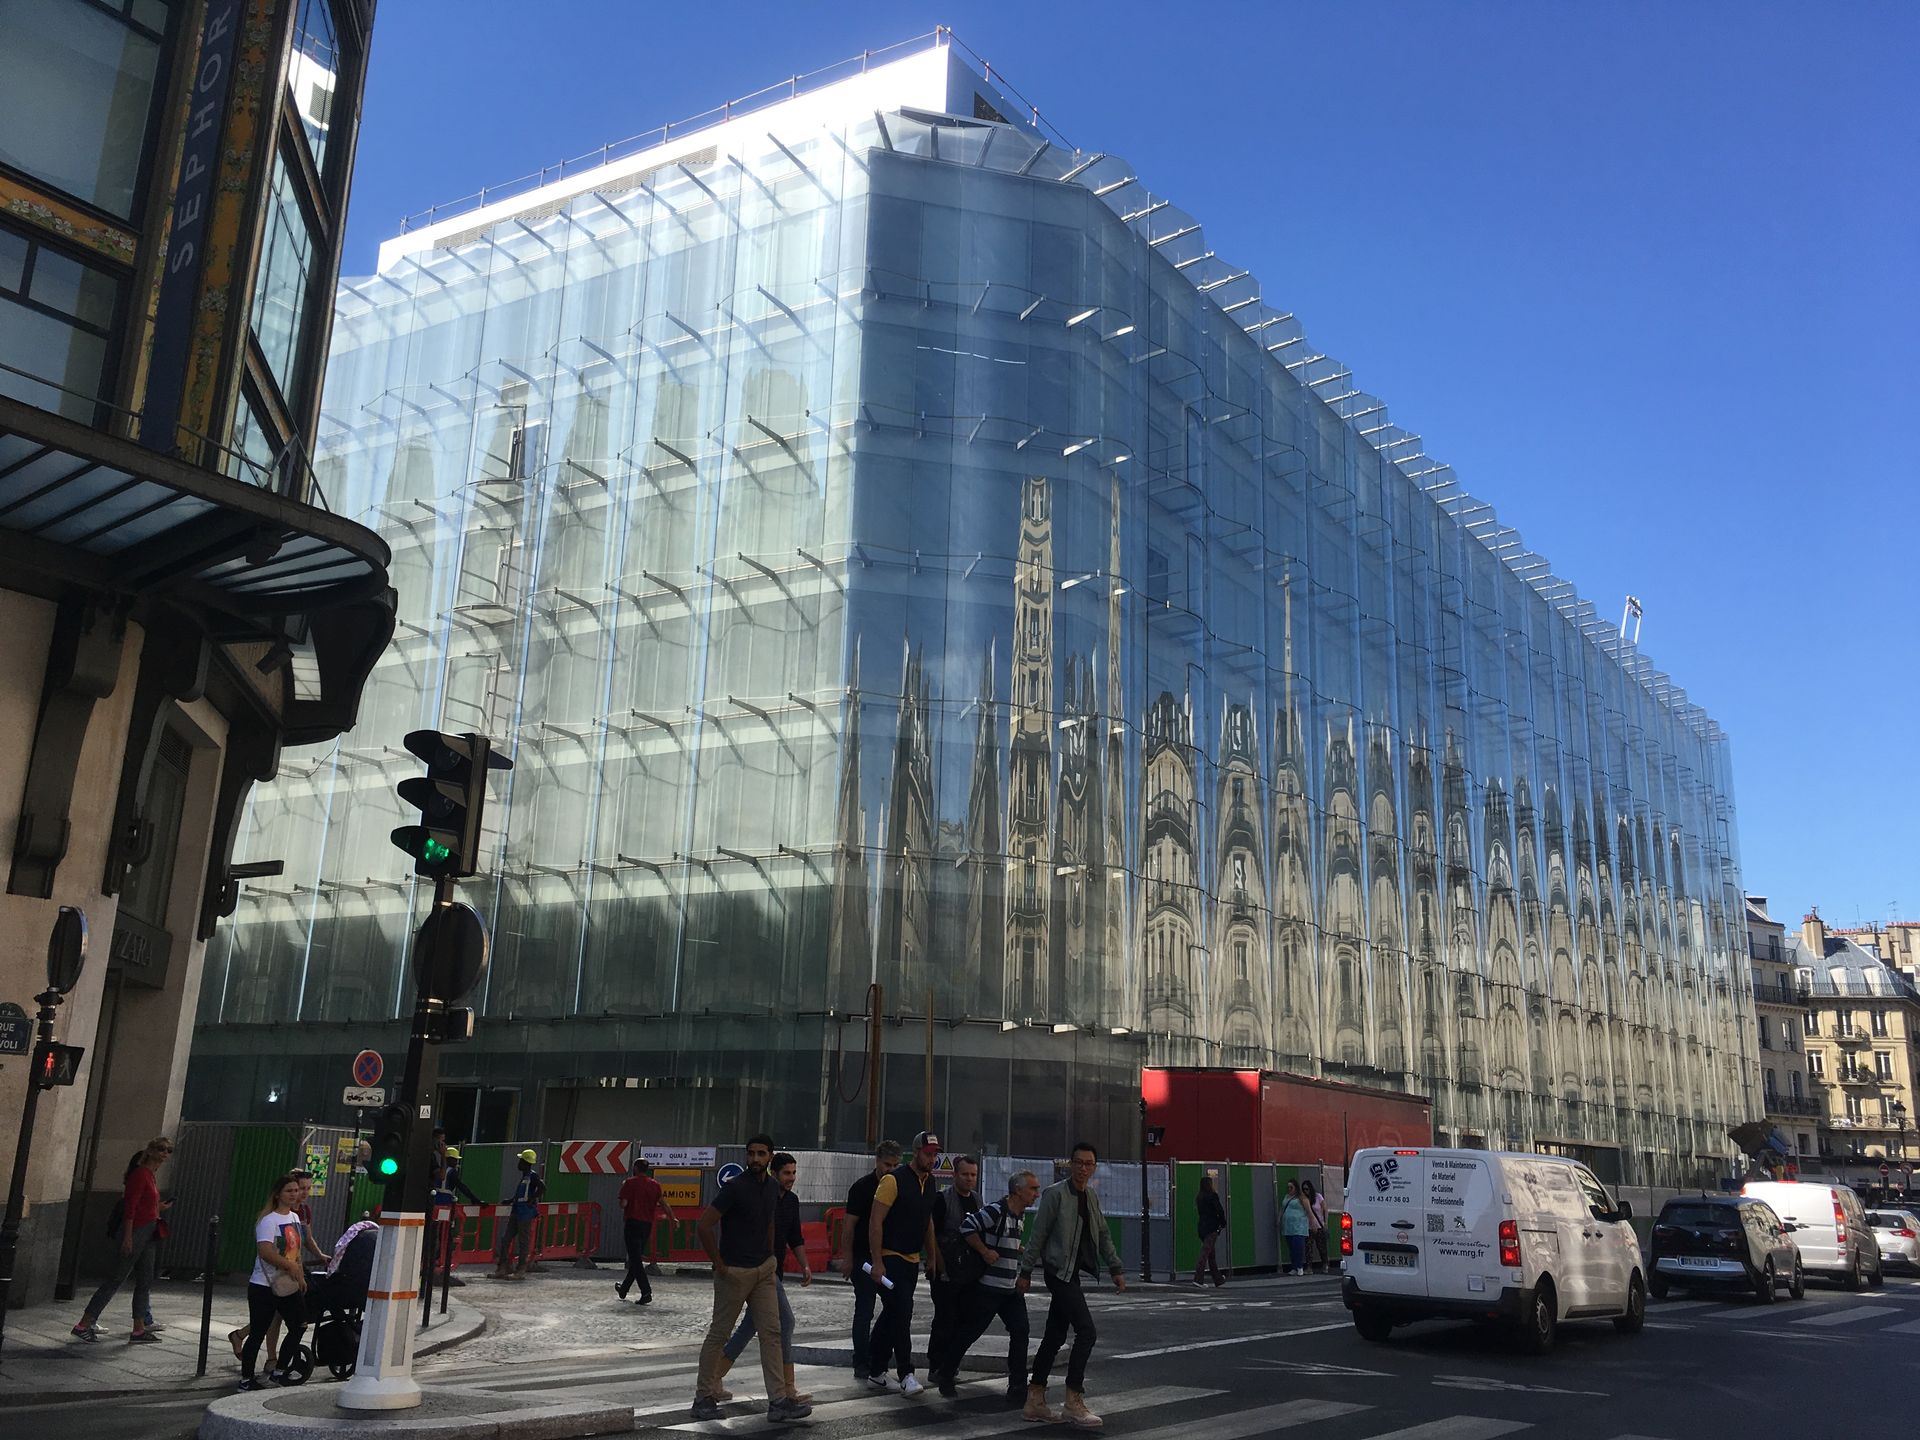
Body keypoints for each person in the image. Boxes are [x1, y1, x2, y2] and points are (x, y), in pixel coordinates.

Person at [690, 1134, 810, 1424]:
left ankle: (779, 1400)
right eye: (751, 1153)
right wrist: (719, 1264)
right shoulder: (734, 1188)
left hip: (763, 1271)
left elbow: (770, 1221)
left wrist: (769, 1256)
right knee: (720, 1333)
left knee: (773, 1333)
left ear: (770, 1156)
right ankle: (703, 1397)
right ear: (747, 1156)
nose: (755, 1159)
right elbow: (704, 1225)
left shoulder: (771, 1188)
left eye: (761, 1154)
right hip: (734, 1272)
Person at [1018, 1141, 1126, 1429]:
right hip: (1058, 1272)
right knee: (1086, 1331)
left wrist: (1115, 1267)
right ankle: (1073, 1400)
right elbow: (1037, 1235)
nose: (1083, 1168)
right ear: (1071, 1164)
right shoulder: (1055, 1195)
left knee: (1054, 1336)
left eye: (1088, 1164)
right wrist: (1025, 1270)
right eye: (1078, 1162)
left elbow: (1103, 1234)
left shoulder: (1090, 1197)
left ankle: (1035, 1400)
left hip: (1072, 1273)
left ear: (1094, 1168)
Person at [717, 1152, 814, 1407]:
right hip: (760, 1269)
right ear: (774, 1173)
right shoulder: (765, 1197)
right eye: (786, 1173)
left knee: (749, 1327)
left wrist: (805, 1265)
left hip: (773, 1272)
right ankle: (787, 1389)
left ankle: (714, 1378)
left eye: (793, 1173)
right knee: (786, 1322)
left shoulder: (792, 1201)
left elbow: (796, 1238)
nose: (791, 1178)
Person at [949, 1169, 1039, 1404]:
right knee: (970, 1331)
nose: (1036, 1194)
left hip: (1010, 1289)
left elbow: (1008, 1240)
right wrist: (984, 1251)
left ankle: (1017, 1385)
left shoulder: (1020, 1215)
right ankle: (946, 1374)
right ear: (1018, 1190)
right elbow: (967, 1226)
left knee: (1021, 1331)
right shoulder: (997, 1210)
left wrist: (1018, 1250)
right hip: (988, 1287)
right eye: (1032, 1189)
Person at [71, 1138, 173, 1343]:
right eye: (161, 1149)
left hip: (149, 1231)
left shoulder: (150, 1176)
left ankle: (138, 1328)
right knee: (116, 1278)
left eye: (169, 1150)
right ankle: (84, 1323)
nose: (165, 1154)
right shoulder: (141, 1174)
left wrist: (158, 1208)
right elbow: (130, 1207)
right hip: (136, 1231)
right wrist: (127, 1237)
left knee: (145, 1280)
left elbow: (144, 1205)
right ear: (151, 1151)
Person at [864, 1129, 942, 1397]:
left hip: (911, 1259)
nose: (932, 1159)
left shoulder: (930, 1183)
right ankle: (906, 1372)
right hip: (890, 1256)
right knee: (902, 1311)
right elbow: (875, 1222)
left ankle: (874, 1368)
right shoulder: (892, 1181)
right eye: (928, 1154)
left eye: (935, 1155)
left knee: (893, 1314)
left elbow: (927, 1222)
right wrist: (877, 1261)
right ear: (917, 1152)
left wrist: (931, 1256)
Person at [237, 1174, 309, 1390]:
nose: (294, 1194)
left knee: (299, 1325)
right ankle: (246, 1379)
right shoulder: (268, 1221)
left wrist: (300, 1274)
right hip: (264, 1285)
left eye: (296, 1190)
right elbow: (266, 1251)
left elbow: (296, 1252)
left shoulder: (295, 1218)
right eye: (290, 1191)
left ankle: (279, 1371)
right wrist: (291, 1267)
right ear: (278, 1194)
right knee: (259, 1331)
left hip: (289, 1283)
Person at [838, 1138, 901, 1384]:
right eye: (887, 1165)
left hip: (889, 1257)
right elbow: (849, 1225)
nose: (891, 1170)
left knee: (895, 1306)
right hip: (863, 1258)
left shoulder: (898, 1185)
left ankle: (876, 1354)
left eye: (896, 1165)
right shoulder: (862, 1188)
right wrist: (848, 1258)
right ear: (877, 1161)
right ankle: (861, 1361)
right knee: (864, 1310)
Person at [927, 1153, 983, 1396]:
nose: (970, 1179)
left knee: (963, 1318)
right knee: (944, 1318)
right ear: (954, 1175)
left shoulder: (978, 1200)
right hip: (945, 1269)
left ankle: (950, 1363)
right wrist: (936, 1263)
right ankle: (936, 1364)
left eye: (973, 1175)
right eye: (965, 1174)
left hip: (969, 1272)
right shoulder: (942, 1199)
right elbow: (931, 1233)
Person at [616, 1157, 677, 1303]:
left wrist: (624, 1196)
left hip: (632, 1224)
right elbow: (664, 1203)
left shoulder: (629, 1183)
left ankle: (646, 1291)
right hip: (647, 1225)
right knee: (636, 1258)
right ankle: (623, 1288)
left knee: (635, 1260)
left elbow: (623, 1204)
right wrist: (672, 1218)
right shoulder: (655, 1185)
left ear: (635, 1168)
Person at [430, 1142, 482, 1287]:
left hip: (434, 1204)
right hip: (445, 1205)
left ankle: (432, 1264)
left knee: (435, 1235)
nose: (457, 1162)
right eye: (455, 1159)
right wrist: (474, 1199)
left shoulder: (439, 1170)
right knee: (445, 1237)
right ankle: (439, 1265)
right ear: (450, 1159)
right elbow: (461, 1186)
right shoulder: (451, 1171)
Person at [493, 1148, 546, 1278]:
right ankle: (503, 1267)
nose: (518, 1163)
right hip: (517, 1210)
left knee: (523, 1242)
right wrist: (511, 1200)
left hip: (525, 1213)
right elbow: (521, 1193)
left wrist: (532, 1199)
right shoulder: (525, 1177)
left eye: (520, 1160)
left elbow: (542, 1187)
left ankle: (521, 1269)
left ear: (525, 1162)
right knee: (506, 1239)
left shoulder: (532, 1176)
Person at [1194, 1173, 1226, 1288]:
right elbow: (1219, 1210)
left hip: (1202, 1227)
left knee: (1211, 1254)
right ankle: (1198, 1279)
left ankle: (1218, 1279)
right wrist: (1223, 1223)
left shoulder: (1199, 1197)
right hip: (1211, 1227)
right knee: (1206, 1253)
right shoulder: (1212, 1196)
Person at [1281, 1179, 1310, 1275]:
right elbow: (1282, 1209)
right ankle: (1294, 1266)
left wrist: (1313, 1222)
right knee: (1291, 1247)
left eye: (1291, 1187)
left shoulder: (1301, 1198)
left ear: (1295, 1188)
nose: (1289, 1189)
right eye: (1288, 1187)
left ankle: (1300, 1266)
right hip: (1288, 1226)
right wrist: (1279, 1218)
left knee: (1298, 1246)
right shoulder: (1287, 1197)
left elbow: (1309, 1211)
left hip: (1299, 1226)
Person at [1301, 1178, 1329, 1274]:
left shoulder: (1318, 1197)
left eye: (1307, 1189)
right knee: (1308, 1247)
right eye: (1304, 1189)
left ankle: (1325, 1263)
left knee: (1321, 1246)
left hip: (1319, 1225)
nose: (1306, 1191)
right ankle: (1309, 1267)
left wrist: (1325, 1222)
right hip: (1308, 1226)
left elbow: (1325, 1208)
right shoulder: (1304, 1199)